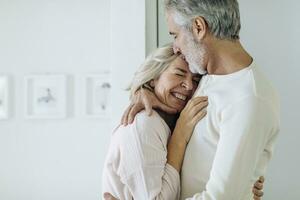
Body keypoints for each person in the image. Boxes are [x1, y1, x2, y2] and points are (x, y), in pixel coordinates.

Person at [121, 0, 280, 199]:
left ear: (198, 27)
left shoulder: (249, 99)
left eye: (175, 35)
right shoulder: (205, 75)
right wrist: (145, 91)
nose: (176, 48)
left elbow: (220, 198)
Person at [102, 44, 264, 200]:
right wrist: (179, 135)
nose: (188, 86)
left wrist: (242, 187)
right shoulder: (143, 125)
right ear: (153, 78)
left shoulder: (173, 122)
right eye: (179, 73)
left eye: (195, 80)